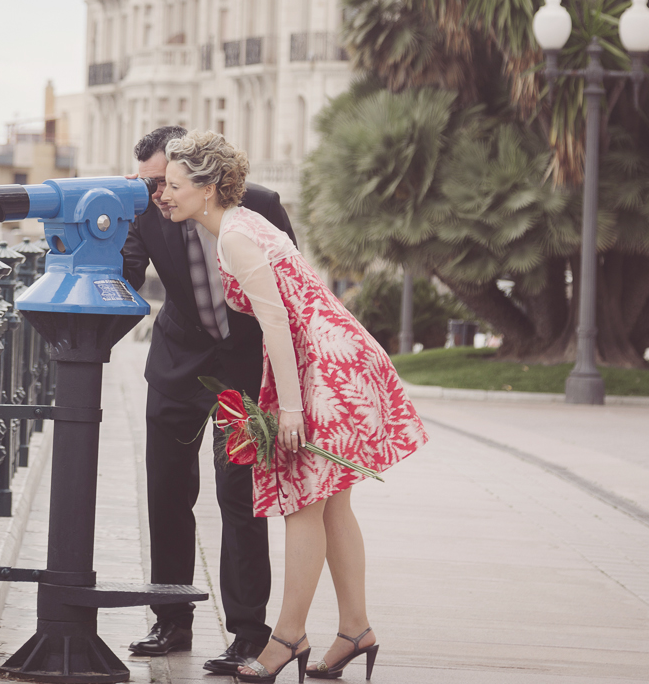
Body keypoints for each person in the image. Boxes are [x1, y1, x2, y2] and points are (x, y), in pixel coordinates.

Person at [157, 129, 426, 684]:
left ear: (207, 188)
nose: (164, 193)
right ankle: (355, 630)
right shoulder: (240, 224)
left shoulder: (233, 235)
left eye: (174, 184)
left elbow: (277, 320)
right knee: (330, 506)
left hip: (322, 366)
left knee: (304, 504)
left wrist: (292, 408)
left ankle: (287, 638)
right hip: (336, 355)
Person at [122, 125, 298, 675]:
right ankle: (170, 619)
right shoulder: (144, 210)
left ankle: (249, 634)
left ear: (192, 173)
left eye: (164, 181)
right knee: (167, 493)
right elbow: (124, 279)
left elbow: (289, 286)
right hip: (178, 365)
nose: (158, 194)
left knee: (239, 498)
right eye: (150, 183)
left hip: (243, 370)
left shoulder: (260, 205)